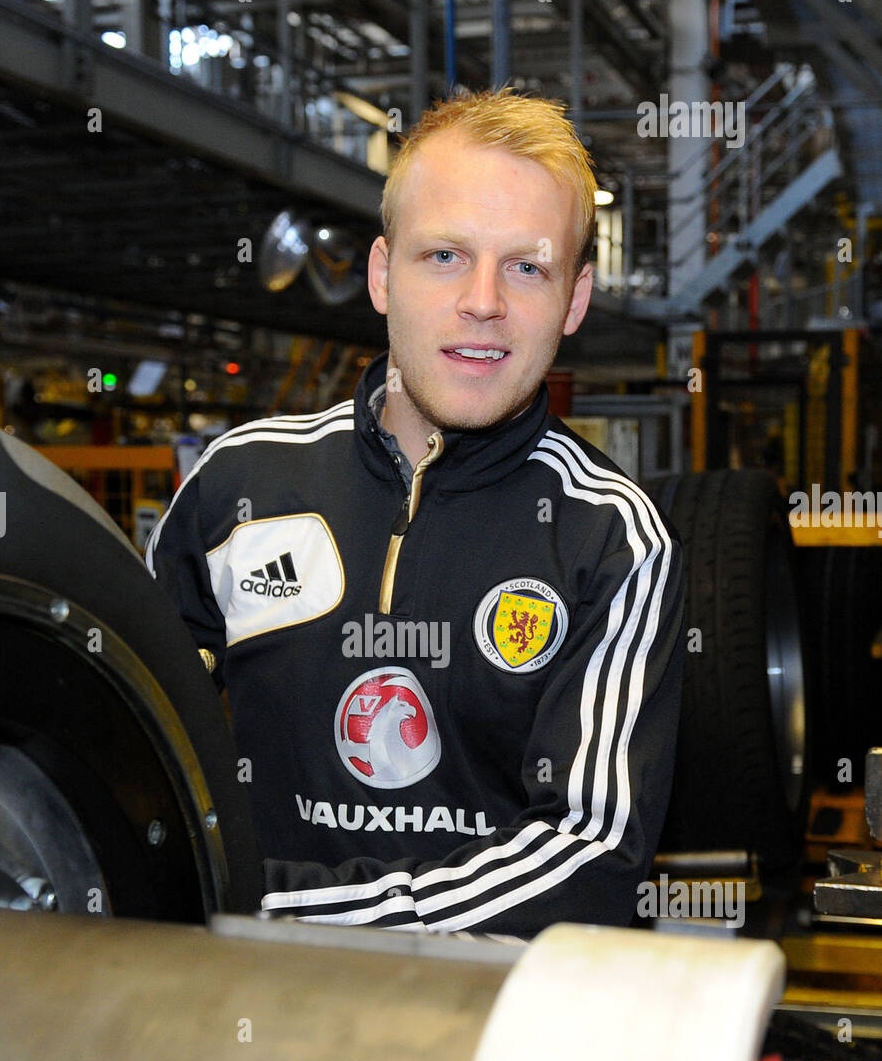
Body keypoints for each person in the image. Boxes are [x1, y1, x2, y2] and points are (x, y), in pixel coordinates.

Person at [147, 86, 685, 938]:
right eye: (444, 256)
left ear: (575, 302)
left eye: (527, 266)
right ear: (380, 275)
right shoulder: (239, 486)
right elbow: (125, 740)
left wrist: (252, 907)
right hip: (235, 1019)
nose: (483, 301)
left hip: (479, 1044)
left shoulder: (610, 539)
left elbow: (588, 862)